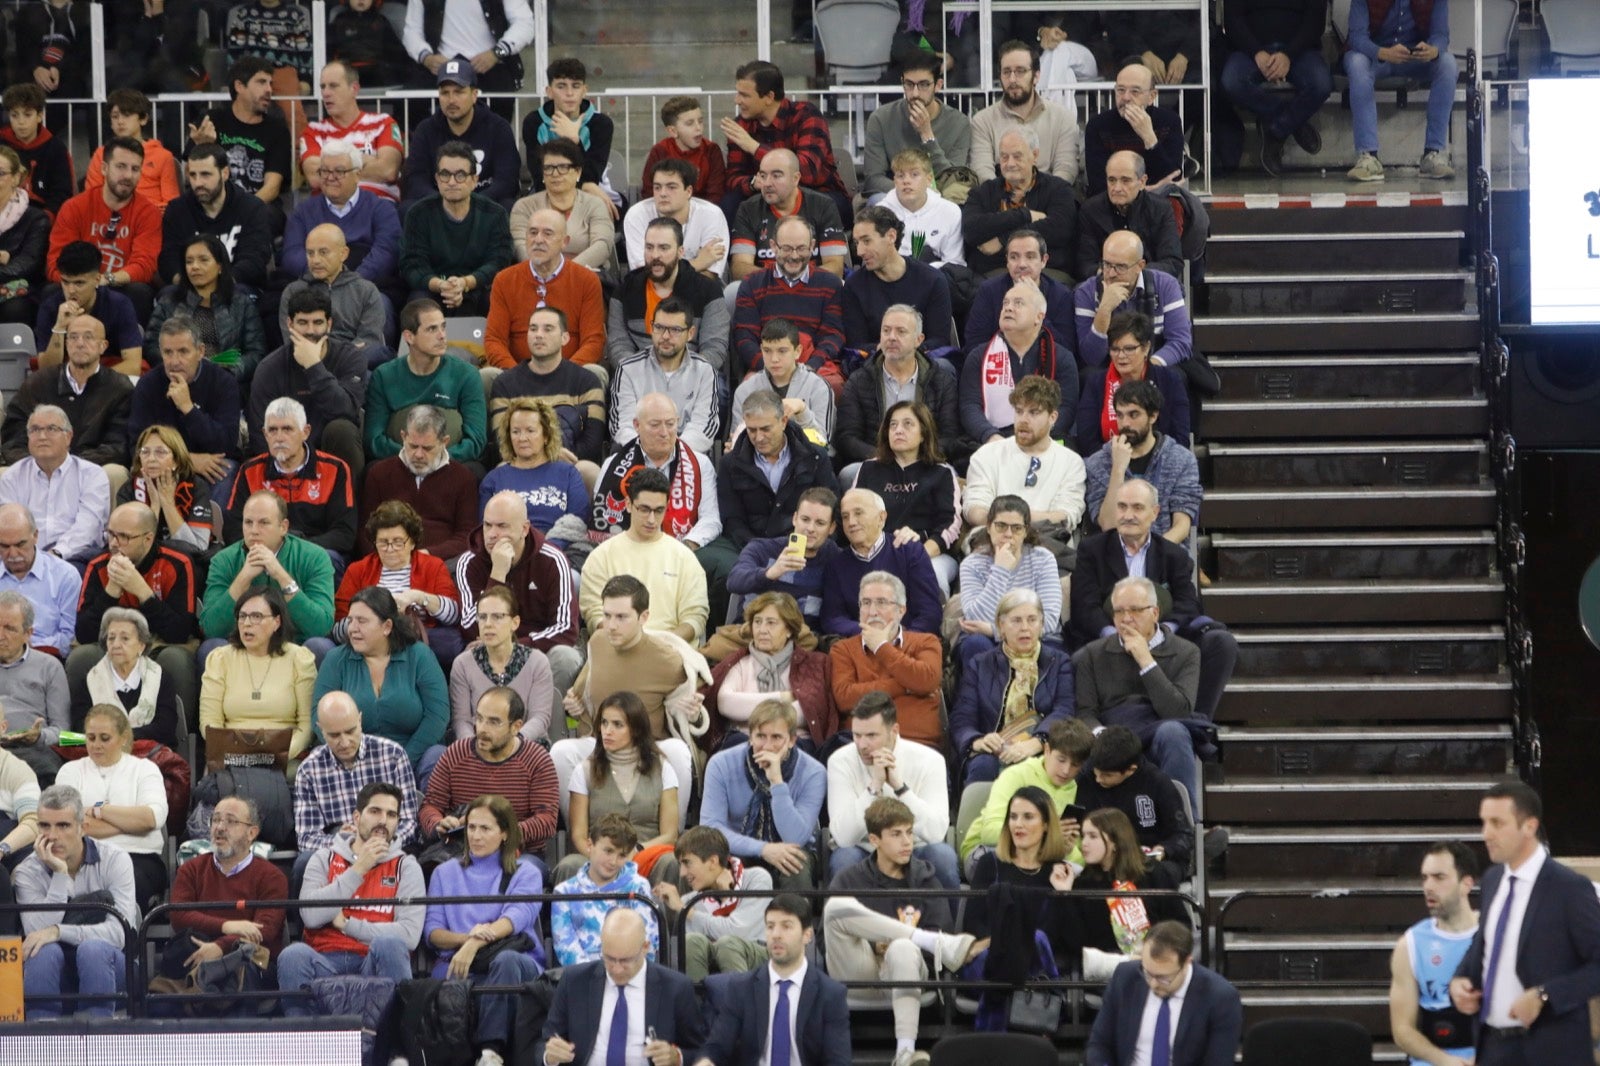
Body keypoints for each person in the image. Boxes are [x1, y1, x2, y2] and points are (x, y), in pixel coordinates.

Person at [1449, 782, 1600, 1064]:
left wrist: (1546, 995)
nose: (1486, 834)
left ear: (1529, 826)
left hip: (1550, 1050)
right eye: (1483, 822)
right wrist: (1460, 978)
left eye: (1497, 823)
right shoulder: (1493, 880)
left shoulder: (1569, 888)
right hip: (1493, 1046)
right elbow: (1485, 943)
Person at [824, 796, 981, 1066]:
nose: (907, 841)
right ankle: (918, 936)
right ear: (874, 840)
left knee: (903, 947)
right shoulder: (849, 878)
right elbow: (823, 944)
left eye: (909, 832)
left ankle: (905, 1053)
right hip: (857, 971)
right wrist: (877, 943)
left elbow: (937, 952)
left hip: (905, 970)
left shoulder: (926, 881)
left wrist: (895, 943)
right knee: (835, 907)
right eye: (896, 834)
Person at [422, 794, 545, 1066]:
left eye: (485, 829)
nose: (476, 836)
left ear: (504, 833)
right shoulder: (444, 873)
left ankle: (491, 1052)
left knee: (506, 962)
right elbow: (432, 933)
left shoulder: (526, 872)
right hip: (458, 960)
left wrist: (475, 942)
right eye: (471, 828)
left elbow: (516, 918)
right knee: (444, 974)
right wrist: (467, 940)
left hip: (513, 960)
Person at [278, 782, 424, 1008]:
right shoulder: (323, 858)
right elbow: (311, 916)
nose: (383, 821)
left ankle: (396, 1039)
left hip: (372, 960)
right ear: (357, 817)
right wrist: (358, 870)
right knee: (293, 955)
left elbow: (409, 936)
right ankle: (305, 1042)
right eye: (375, 811)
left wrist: (347, 924)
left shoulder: (406, 866)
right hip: (325, 960)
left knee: (390, 944)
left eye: (391, 814)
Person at [1074, 576, 1203, 815]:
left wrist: (1146, 661)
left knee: (1174, 732)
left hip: (1157, 733)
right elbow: (1085, 712)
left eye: (1135, 610)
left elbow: (1178, 711)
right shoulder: (1091, 655)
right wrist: (1106, 738)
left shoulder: (1186, 652)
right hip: (1111, 735)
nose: (1126, 618)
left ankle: (1183, 827)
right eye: (1119, 611)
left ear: (1155, 613)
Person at [12, 784, 140, 1018]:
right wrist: (59, 874)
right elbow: (35, 934)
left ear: (83, 827)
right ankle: (41, 1036)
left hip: (109, 969)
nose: (52, 836)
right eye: (44, 825)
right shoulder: (26, 872)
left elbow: (119, 934)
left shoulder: (115, 860)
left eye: (63, 825)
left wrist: (59, 931)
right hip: (54, 971)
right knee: (42, 952)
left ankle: (98, 1033)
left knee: (93, 950)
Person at [692, 895, 853, 1066]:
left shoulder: (830, 994)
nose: (776, 935)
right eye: (770, 926)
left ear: (807, 935)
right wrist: (706, 1060)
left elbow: (838, 1060)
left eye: (786, 926)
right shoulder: (740, 988)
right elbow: (717, 1046)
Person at [537, 908, 708, 1066]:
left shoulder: (675, 987)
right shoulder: (575, 981)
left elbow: (702, 1052)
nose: (616, 969)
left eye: (625, 960)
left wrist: (677, 1057)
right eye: (609, 958)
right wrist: (549, 1056)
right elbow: (542, 1044)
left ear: (645, 948)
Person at [455, 489, 581, 694]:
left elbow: (567, 629)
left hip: (537, 650)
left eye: (502, 526)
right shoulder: (469, 562)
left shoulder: (551, 559)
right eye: (487, 525)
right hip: (490, 650)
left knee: (567, 657)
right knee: (467, 656)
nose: (492, 534)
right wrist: (497, 574)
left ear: (524, 529)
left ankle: (545, 722)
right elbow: (470, 626)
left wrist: (514, 647)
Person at [826, 693, 958, 888]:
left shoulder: (930, 760)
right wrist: (874, 787)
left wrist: (900, 788)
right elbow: (844, 837)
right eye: (857, 735)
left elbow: (936, 833)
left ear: (894, 730)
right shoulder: (840, 761)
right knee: (843, 859)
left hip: (914, 847)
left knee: (943, 857)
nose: (862, 745)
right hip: (864, 848)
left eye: (871, 736)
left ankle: (943, 920)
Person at [313, 586, 450, 771]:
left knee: (437, 755)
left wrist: (403, 761)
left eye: (362, 621)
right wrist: (352, 756)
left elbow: (437, 716)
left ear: (387, 626)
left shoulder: (419, 655)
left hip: (412, 756)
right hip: (351, 758)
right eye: (350, 620)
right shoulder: (336, 660)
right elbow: (318, 714)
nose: (352, 628)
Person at [951, 586, 1075, 787]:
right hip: (995, 748)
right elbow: (962, 718)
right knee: (983, 765)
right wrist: (978, 741)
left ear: (1042, 624)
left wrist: (1037, 742)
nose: (1025, 628)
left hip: (1043, 744)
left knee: (1054, 765)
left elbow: (1064, 710)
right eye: (1016, 621)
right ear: (1001, 626)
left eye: (1032, 620)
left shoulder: (1059, 662)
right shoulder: (980, 664)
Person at [554, 690, 681, 885]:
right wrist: (603, 857)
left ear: (636, 729)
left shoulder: (663, 769)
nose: (607, 731)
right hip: (597, 858)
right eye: (604, 723)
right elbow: (578, 836)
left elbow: (670, 835)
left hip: (645, 855)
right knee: (569, 865)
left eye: (617, 725)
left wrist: (636, 851)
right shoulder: (585, 770)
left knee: (671, 862)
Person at [565, 573, 710, 743]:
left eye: (621, 617)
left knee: (676, 750)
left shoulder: (668, 659)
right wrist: (572, 712)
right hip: (600, 747)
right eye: (607, 615)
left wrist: (694, 716)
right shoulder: (597, 642)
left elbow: (691, 721)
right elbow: (574, 709)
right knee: (561, 751)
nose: (611, 626)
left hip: (647, 751)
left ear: (644, 617)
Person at [701, 698, 827, 890]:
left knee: (795, 865)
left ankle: (795, 920)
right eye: (760, 736)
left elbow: (796, 837)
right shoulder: (721, 764)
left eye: (776, 737)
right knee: (718, 868)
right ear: (750, 737)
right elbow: (711, 828)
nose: (767, 746)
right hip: (738, 847)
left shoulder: (813, 772)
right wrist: (763, 849)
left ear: (792, 740)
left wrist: (777, 782)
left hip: (790, 849)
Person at [161, 795, 288, 984]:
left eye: (231, 821)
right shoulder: (192, 869)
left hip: (247, 964)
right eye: (216, 820)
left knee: (243, 979)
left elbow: (265, 931)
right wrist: (227, 926)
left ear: (251, 833)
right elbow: (178, 915)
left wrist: (220, 947)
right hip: (197, 961)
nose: (220, 828)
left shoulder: (272, 876)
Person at [418, 685, 558, 852]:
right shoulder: (456, 753)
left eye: (494, 722)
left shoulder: (537, 760)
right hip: (462, 850)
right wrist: (438, 824)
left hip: (518, 853)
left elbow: (547, 820)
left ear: (516, 726)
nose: (482, 728)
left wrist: (502, 834)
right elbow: (430, 806)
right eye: (479, 718)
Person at [223, 397, 357, 571]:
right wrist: (268, 550)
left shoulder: (336, 469)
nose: (279, 438)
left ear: (306, 432)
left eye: (287, 429)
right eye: (272, 430)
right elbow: (233, 529)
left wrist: (293, 549)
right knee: (224, 560)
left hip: (314, 553)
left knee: (328, 558)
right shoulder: (250, 470)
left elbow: (344, 534)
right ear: (264, 434)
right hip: (262, 551)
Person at [1084, 921, 1244, 1066]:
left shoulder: (1220, 998)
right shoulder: (1125, 978)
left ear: (1187, 962)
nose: (1153, 984)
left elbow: (1218, 1062)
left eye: (1163, 978)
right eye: (1147, 973)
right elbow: (1099, 1044)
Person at [579, 470, 711, 644]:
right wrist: (634, 644)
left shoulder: (684, 558)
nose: (651, 519)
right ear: (628, 504)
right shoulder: (601, 557)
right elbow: (594, 615)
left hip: (670, 653)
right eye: (644, 509)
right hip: (618, 648)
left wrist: (661, 646)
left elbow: (695, 617)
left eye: (659, 511)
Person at [55, 704, 168, 907]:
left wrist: (99, 811)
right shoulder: (69, 771)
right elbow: (67, 825)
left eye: (105, 738)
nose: (96, 744)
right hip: (83, 859)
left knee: (128, 886)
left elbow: (151, 818)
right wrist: (129, 824)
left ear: (123, 738)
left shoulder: (144, 769)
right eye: (91, 738)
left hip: (139, 859)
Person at [247, 288, 369, 474]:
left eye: (318, 322)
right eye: (303, 323)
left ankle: (349, 500)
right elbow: (259, 433)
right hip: (286, 456)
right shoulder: (269, 368)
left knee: (342, 429)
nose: (310, 331)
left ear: (329, 324)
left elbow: (347, 411)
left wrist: (313, 366)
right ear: (290, 324)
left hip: (332, 451)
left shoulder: (350, 358)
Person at [1056, 808, 1187, 978]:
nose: (1084, 844)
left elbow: (1180, 925)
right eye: (1084, 836)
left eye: (1093, 836)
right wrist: (1065, 894)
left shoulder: (1155, 874)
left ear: (1116, 842)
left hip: (1157, 965)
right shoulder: (1082, 884)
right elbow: (1074, 942)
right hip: (1107, 972)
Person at [850, 402, 962, 597]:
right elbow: (853, 514)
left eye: (908, 424)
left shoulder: (941, 473)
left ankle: (928, 625)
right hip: (876, 551)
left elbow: (949, 524)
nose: (898, 430)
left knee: (930, 574)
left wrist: (919, 555)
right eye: (893, 425)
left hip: (930, 553)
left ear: (924, 434)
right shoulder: (869, 469)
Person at [960, 718, 1094, 879]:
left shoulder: (1080, 792)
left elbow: (1079, 862)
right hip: (990, 851)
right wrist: (1049, 836)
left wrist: (1066, 849)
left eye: (1075, 765)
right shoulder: (1016, 775)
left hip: (1044, 861)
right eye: (1061, 760)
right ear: (1047, 750)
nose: (1066, 770)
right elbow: (990, 833)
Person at [704, 590, 837, 752]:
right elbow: (726, 703)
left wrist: (749, 707)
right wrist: (784, 697)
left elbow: (808, 712)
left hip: (794, 741)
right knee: (736, 745)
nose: (762, 630)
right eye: (757, 622)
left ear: (789, 629)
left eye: (771, 623)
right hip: (746, 740)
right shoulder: (740, 663)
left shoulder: (812, 664)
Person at [336, 498, 463, 667]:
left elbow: (453, 615)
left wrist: (418, 597)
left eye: (397, 542)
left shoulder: (432, 565)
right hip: (369, 639)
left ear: (412, 542)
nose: (390, 549)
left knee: (451, 641)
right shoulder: (357, 570)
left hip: (418, 639)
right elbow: (338, 629)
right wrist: (369, 615)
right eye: (383, 542)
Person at [721, 61, 850, 226]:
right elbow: (733, 178)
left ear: (769, 97)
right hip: (764, 195)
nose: (737, 100)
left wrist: (754, 147)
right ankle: (737, 251)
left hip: (815, 193)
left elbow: (808, 172)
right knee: (729, 204)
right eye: (737, 93)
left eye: (745, 95)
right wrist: (753, 183)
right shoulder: (740, 126)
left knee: (828, 206)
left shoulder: (806, 115)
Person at [46, 136, 161, 320]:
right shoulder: (74, 207)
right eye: (121, 166)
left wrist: (106, 280)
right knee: (51, 291)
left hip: (120, 286)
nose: (128, 175)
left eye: (135, 169)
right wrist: (85, 284)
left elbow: (144, 265)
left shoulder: (148, 212)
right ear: (104, 168)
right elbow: (55, 264)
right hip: (78, 285)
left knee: (139, 291)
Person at [1344, 0, 1458, 182]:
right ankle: (1368, 157)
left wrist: (1434, 49)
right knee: (1356, 62)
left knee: (1448, 64)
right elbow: (1356, 37)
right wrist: (1382, 52)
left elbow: (1441, 34)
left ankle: (1432, 154)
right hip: (1377, 57)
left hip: (1415, 58)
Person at [199, 588, 317, 763]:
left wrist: (277, 755)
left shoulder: (299, 659)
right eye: (242, 616)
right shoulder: (220, 659)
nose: (247, 623)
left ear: (277, 622)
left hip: (284, 758)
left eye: (256, 617)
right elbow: (210, 722)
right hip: (232, 758)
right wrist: (233, 754)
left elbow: (307, 725)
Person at [295, 691, 420, 856]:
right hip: (338, 852)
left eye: (350, 731)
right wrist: (344, 841)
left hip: (387, 845)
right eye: (334, 735)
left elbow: (410, 822)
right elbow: (306, 838)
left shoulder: (393, 755)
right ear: (321, 730)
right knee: (304, 861)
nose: (345, 742)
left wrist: (380, 842)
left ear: (360, 720)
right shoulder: (309, 770)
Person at [400, 139, 515, 317]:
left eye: (460, 175)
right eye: (445, 174)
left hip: (478, 287)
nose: (452, 182)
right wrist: (441, 285)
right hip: (434, 288)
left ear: (474, 180)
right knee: (418, 303)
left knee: (496, 298)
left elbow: (499, 261)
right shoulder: (418, 213)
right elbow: (412, 265)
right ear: (437, 179)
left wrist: (466, 282)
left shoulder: (494, 213)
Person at [2, 315, 132, 472]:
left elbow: (118, 446)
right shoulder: (39, 382)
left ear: (103, 346)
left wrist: (70, 465)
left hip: (91, 470)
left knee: (115, 472)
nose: (80, 343)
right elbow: (14, 437)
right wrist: (40, 463)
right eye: (73, 337)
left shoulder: (119, 388)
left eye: (88, 337)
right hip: (39, 469)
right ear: (66, 343)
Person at [367, 299, 489, 466]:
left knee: (473, 470)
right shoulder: (383, 376)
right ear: (409, 337)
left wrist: (436, 458)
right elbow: (373, 440)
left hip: (450, 466)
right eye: (432, 329)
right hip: (400, 464)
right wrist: (412, 456)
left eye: (443, 327)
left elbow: (476, 440)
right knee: (373, 470)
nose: (442, 335)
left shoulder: (467, 375)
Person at [1390, 841, 1480, 1066]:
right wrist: (1445, 1061)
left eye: (1439, 877)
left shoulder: (1496, 933)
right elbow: (1402, 1029)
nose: (1428, 886)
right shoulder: (1410, 945)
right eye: (1424, 878)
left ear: (1466, 884)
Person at [484, 208, 605, 372]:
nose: (538, 240)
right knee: (488, 374)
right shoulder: (504, 280)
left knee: (596, 372)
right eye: (532, 233)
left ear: (565, 241)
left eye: (547, 233)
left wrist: (565, 374)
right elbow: (494, 340)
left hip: (570, 377)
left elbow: (594, 341)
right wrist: (517, 376)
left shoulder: (586, 280)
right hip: (516, 378)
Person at [128, 317, 242, 491]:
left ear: (201, 351)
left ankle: (206, 519)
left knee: (225, 469)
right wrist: (185, 460)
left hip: (210, 465)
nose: (174, 361)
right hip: (163, 465)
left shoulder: (223, 382)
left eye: (183, 352)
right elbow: (136, 445)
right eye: (168, 352)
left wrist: (188, 409)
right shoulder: (148, 385)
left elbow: (225, 444)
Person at [732, 217, 846, 389]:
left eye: (801, 248)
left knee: (834, 386)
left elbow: (833, 334)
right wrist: (770, 367)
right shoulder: (752, 283)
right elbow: (745, 337)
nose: (794, 256)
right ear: (773, 246)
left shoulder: (830, 284)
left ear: (812, 246)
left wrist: (811, 366)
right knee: (749, 388)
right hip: (768, 365)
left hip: (816, 366)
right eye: (786, 248)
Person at [836, 310, 960, 468]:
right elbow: (847, 437)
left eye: (901, 331)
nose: (891, 337)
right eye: (886, 331)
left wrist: (917, 459)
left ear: (918, 340)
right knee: (849, 473)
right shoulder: (859, 380)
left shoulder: (941, 380)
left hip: (926, 464)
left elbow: (950, 435)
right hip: (876, 464)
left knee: (947, 473)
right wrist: (883, 458)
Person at [488, 306, 606, 470]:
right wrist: (549, 455)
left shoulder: (587, 382)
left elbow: (592, 445)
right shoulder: (505, 384)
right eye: (533, 329)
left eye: (548, 329)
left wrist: (552, 458)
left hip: (570, 467)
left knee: (588, 469)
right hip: (521, 466)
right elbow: (501, 444)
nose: (538, 335)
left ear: (565, 338)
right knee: (502, 467)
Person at [611, 215, 731, 376]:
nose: (655, 255)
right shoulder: (625, 290)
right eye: (649, 247)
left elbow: (714, 348)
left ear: (680, 252)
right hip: (639, 377)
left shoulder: (708, 290)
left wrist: (680, 377)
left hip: (695, 377)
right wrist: (642, 376)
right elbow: (619, 345)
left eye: (663, 248)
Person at [719, 390, 840, 550]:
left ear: (783, 421)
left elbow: (830, 507)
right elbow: (732, 520)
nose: (759, 437)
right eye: (752, 430)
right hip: (753, 551)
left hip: (807, 549)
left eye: (765, 429)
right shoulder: (730, 464)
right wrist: (758, 550)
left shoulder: (815, 456)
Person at [1222, 0, 1331, 176]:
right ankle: (1291, 123)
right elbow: (1233, 20)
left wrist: (1288, 55)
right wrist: (1256, 52)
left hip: (1299, 50)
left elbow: (1315, 21)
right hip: (1250, 51)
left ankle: (1276, 130)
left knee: (1321, 84)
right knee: (1231, 82)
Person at [356, 405, 478, 560]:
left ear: (444, 442)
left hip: (441, 564)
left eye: (427, 448)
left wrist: (426, 556)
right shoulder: (379, 473)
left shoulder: (463, 478)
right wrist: (390, 559)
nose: (418, 454)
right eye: (413, 446)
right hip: (387, 561)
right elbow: (366, 533)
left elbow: (466, 537)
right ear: (403, 436)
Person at [1085, 382, 1202, 544]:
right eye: (1120, 415)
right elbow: (1108, 525)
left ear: (1153, 416)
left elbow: (1182, 526)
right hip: (1115, 559)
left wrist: (1150, 554)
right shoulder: (1098, 462)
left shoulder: (1181, 459)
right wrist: (1118, 469)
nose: (1125, 423)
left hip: (1165, 555)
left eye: (1133, 415)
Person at [961, 282, 1076, 445]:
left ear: (1039, 316)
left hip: (1043, 438)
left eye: (1018, 303)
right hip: (993, 441)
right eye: (1005, 303)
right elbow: (969, 406)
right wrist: (990, 435)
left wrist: (1032, 435)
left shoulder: (1061, 357)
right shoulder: (979, 356)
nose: (1008, 308)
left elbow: (1066, 410)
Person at [955, 496, 1063, 666]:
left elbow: (1048, 619)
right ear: (989, 527)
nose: (1008, 534)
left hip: (1036, 636)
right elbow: (975, 617)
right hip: (987, 640)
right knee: (975, 644)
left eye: (1017, 528)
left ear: (1026, 531)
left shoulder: (1043, 559)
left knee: (1051, 651)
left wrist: (993, 630)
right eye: (1001, 526)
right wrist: (1000, 570)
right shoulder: (972, 563)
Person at [819, 489, 941, 639]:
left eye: (858, 513)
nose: (851, 522)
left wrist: (901, 639)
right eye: (845, 516)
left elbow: (929, 611)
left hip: (909, 647)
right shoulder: (836, 565)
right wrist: (869, 635)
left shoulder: (909, 551)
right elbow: (832, 618)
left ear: (881, 518)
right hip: (861, 647)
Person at [1073, 726, 1194, 877]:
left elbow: (1183, 834)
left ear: (1131, 770)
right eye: (1095, 772)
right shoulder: (1085, 779)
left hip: (1150, 861)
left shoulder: (1158, 783)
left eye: (1106, 775)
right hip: (1101, 860)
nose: (1098, 779)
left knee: (1152, 876)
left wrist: (1164, 850)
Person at [282, 139, 403, 290]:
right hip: (314, 286)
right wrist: (323, 277)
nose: (330, 177)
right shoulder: (303, 211)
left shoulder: (381, 209)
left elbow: (386, 253)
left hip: (367, 288)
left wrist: (350, 282)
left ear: (357, 175)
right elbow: (291, 254)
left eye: (339, 171)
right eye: (325, 171)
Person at [401, 59, 521, 209]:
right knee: (407, 208)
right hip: (438, 207)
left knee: (508, 206)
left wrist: (470, 203)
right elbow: (415, 179)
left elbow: (507, 180)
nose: (451, 100)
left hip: (483, 206)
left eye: (459, 92)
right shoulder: (425, 129)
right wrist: (444, 202)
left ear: (474, 95)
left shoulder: (498, 127)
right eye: (445, 93)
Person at [721, 487, 839, 642]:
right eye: (805, 519)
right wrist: (770, 573)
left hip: (801, 644)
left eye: (820, 523)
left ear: (831, 528)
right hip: (751, 638)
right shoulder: (762, 548)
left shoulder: (834, 558)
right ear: (794, 518)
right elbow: (734, 581)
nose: (810, 528)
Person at [144, 236, 268, 378]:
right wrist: (181, 365)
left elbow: (256, 352)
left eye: (203, 260)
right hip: (178, 378)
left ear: (220, 266)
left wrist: (226, 373)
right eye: (189, 261)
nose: (195, 266)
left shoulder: (242, 304)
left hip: (227, 381)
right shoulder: (169, 303)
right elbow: (151, 346)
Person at [0, 404, 110, 564]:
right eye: (35, 430)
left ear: (69, 436)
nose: (42, 436)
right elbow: (9, 525)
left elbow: (89, 528)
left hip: (74, 557)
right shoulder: (13, 476)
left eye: (51, 429)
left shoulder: (92, 475)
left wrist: (56, 554)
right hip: (21, 558)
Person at [659, 825, 772, 979]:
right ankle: (698, 1002)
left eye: (687, 863)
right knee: (691, 941)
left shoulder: (757, 878)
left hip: (755, 954)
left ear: (712, 861)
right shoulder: (689, 901)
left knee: (728, 945)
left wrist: (686, 910)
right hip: (714, 952)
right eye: (680, 865)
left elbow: (739, 934)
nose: (682, 873)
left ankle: (741, 1002)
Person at [1075, 310, 1192, 458]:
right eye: (1115, 349)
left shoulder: (1170, 381)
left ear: (1146, 348)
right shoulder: (1095, 382)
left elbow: (1180, 439)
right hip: (1107, 465)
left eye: (1129, 349)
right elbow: (1087, 442)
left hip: (1159, 465)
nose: (1121, 356)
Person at [963, 128, 1078, 279]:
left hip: (1046, 273)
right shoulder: (983, 192)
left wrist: (1002, 240)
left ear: (1035, 155)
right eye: (1004, 157)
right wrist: (1025, 214)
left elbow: (1059, 229)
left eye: (1017, 156)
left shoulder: (1058, 189)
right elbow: (971, 229)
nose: (1010, 163)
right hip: (994, 273)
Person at [611, 299, 721, 454]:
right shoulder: (628, 369)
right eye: (659, 327)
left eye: (675, 330)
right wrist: (650, 452)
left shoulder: (704, 371)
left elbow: (704, 426)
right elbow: (622, 425)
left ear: (690, 333)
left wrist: (672, 454)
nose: (665, 336)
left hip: (687, 453)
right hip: (639, 452)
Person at [184, 57, 291, 216]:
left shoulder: (277, 129)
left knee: (268, 215)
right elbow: (189, 176)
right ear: (239, 86)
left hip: (257, 207)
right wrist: (203, 147)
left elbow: (272, 187)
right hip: (212, 203)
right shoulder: (211, 121)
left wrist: (240, 212)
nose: (269, 89)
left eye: (270, 83)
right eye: (261, 82)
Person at [551, 812, 661, 966]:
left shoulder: (638, 886)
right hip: (583, 980)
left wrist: (620, 972)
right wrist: (596, 977)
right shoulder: (564, 892)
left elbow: (647, 942)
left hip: (628, 975)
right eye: (608, 851)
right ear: (590, 845)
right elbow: (565, 948)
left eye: (622, 855)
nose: (613, 861)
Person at [448, 585, 554, 744]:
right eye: (482, 617)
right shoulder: (462, 664)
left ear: (515, 622)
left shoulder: (537, 662)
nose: (488, 624)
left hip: (527, 746)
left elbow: (540, 718)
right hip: (479, 748)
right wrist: (476, 748)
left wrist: (511, 745)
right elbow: (461, 721)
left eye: (497, 616)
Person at [157, 144, 273, 290]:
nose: (198, 183)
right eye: (193, 175)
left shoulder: (252, 208)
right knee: (168, 293)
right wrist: (188, 284)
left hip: (235, 286)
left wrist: (217, 285)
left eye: (205, 174)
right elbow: (168, 259)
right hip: (190, 288)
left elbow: (254, 259)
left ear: (225, 173)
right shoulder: (177, 210)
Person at [861, 51, 972, 200]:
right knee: (877, 199)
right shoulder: (881, 118)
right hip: (895, 197)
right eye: (909, 84)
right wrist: (912, 192)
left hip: (940, 200)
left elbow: (953, 181)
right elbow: (873, 179)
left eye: (924, 85)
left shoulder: (959, 123)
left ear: (938, 85)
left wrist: (927, 136)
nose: (915, 93)